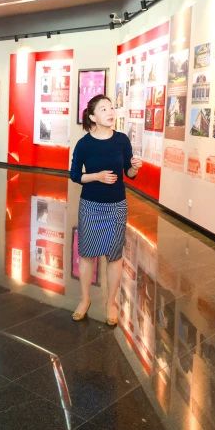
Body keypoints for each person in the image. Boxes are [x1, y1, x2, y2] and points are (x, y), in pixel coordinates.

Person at [69, 94, 142, 326]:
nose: (110, 112)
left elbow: (129, 174)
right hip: (91, 205)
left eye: (111, 108)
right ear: (92, 117)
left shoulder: (121, 140)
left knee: (114, 256)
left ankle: (111, 302)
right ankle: (85, 299)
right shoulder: (84, 144)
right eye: (103, 109)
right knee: (87, 254)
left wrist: (135, 168)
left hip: (116, 205)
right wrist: (97, 176)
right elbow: (74, 175)